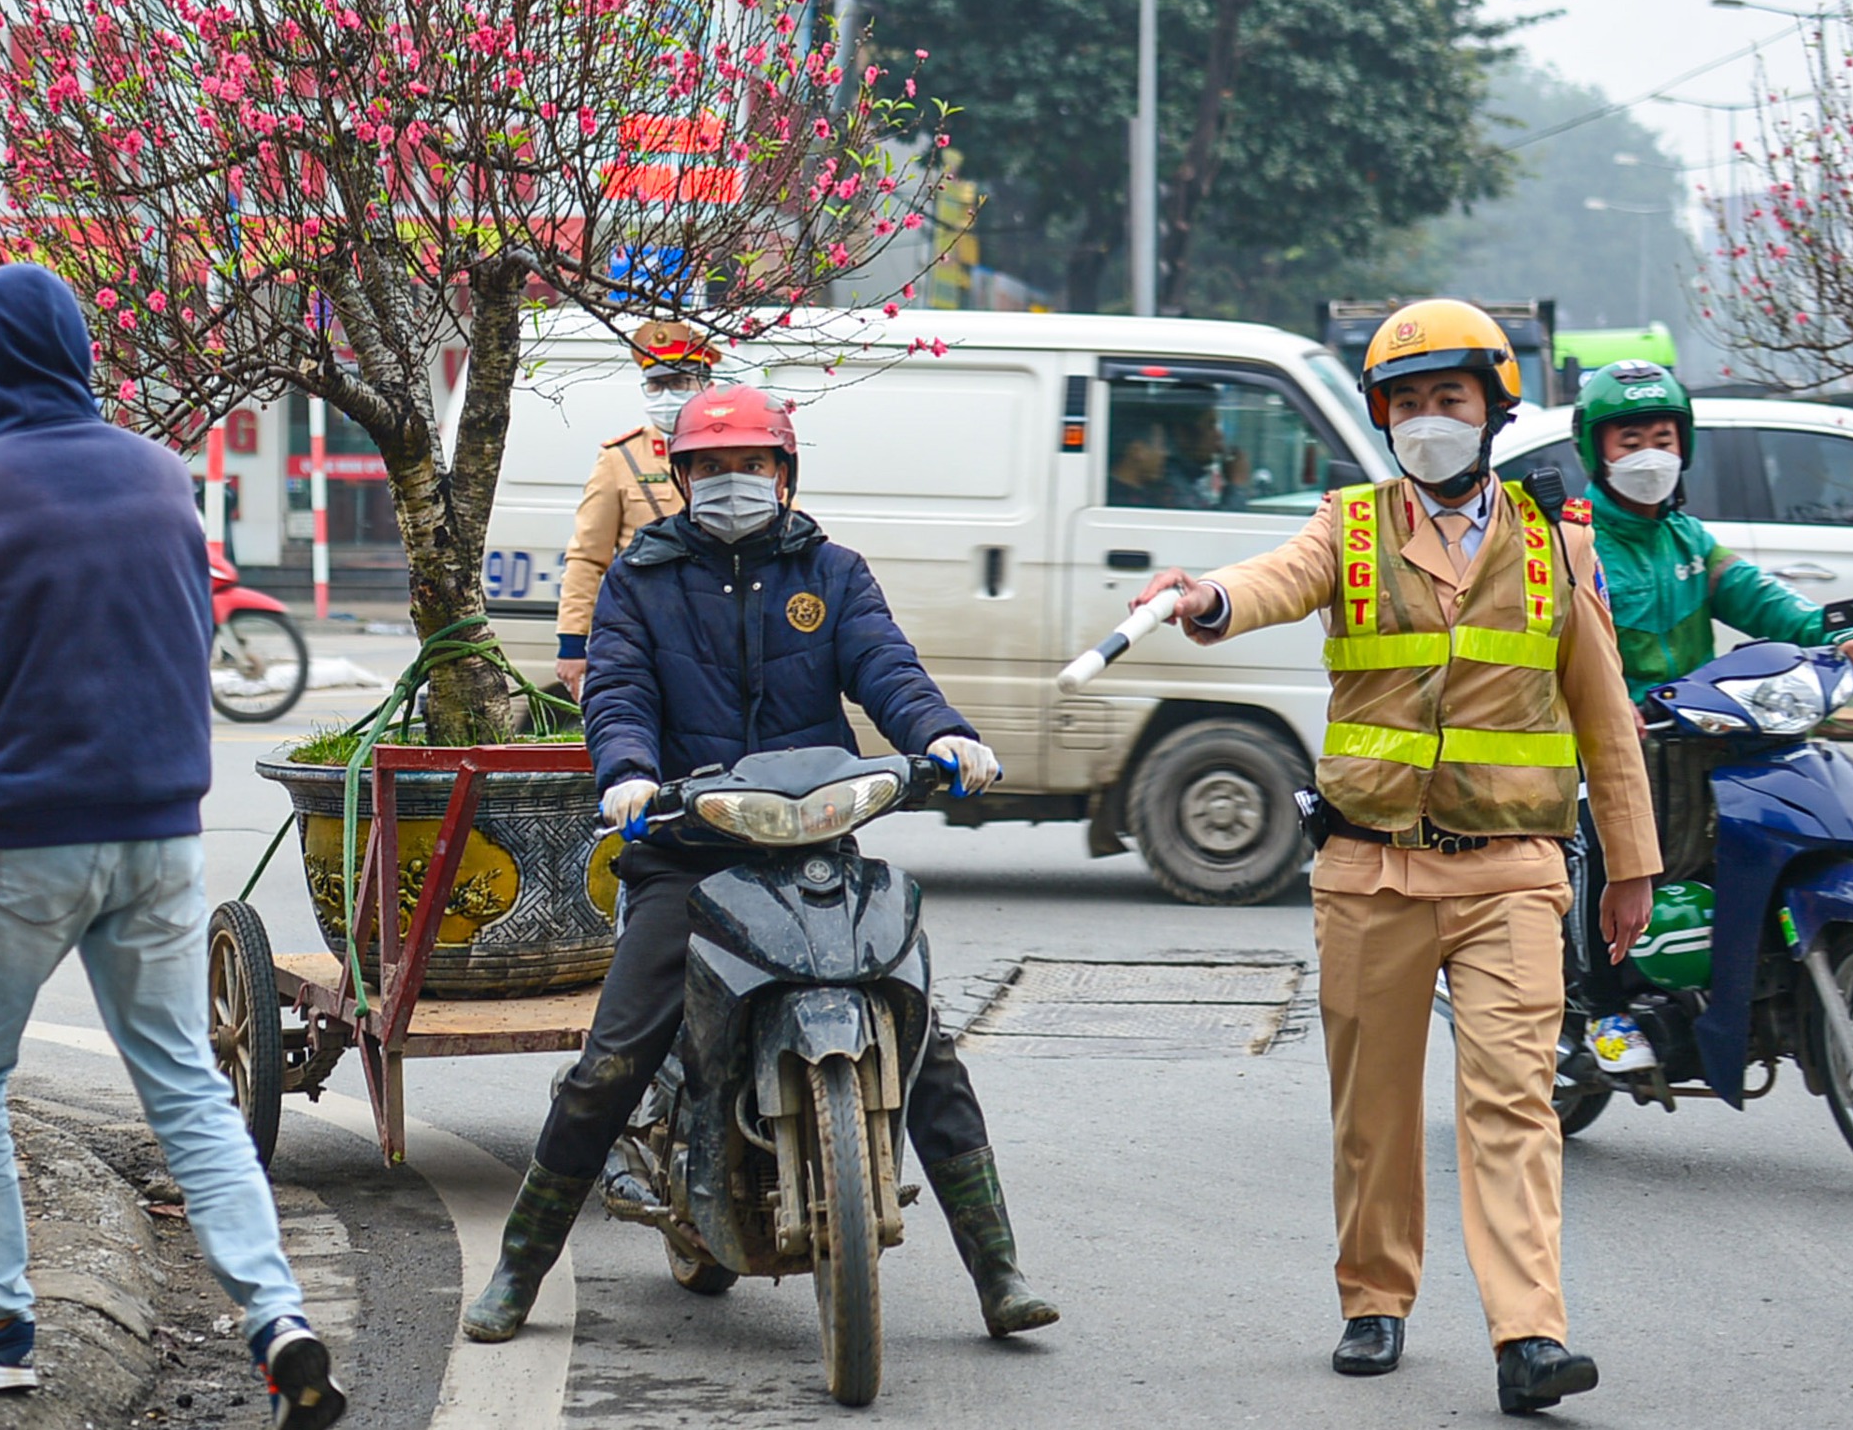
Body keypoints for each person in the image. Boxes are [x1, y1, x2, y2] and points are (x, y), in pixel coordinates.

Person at [1130, 299, 1659, 1417]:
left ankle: (1529, 1332)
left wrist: (1631, 863)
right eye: (1407, 403)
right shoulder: (1351, 528)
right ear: (1382, 418)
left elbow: (1604, 714)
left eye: (1448, 399)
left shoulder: (1560, 547)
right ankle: (1374, 1296)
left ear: (1491, 409)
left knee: (1512, 1103)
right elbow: (1270, 579)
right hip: (1368, 869)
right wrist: (1205, 597)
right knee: (1370, 1109)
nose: (1428, 420)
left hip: (1510, 869)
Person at [463, 384, 1058, 1347]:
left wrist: (944, 736)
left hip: (814, 842)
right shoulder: (639, 581)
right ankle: (516, 1273)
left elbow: (887, 669)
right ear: (681, 476)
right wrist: (626, 775)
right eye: (711, 467)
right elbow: (616, 694)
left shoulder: (833, 571)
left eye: (752, 465)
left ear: (784, 475)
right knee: (612, 1061)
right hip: (685, 854)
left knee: (923, 1041)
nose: (731, 483)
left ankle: (1000, 1272)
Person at [0, 264, 346, 1429]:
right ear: (80, 352)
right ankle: (277, 1316)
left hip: (37, 832)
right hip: (163, 830)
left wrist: (2, 657)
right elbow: (182, 622)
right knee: (186, 1080)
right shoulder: (157, 469)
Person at [1566, 359, 1853, 1074]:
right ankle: (1602, 1006)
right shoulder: (1579, 545)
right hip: (1609, 747)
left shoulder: (1691, 544)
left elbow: (1772, 607)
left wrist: (1837, 642)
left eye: (1663, 438)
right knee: (1601, 840)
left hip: (1697, 740)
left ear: (1684, 447)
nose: (1649, 455)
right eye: (1629, 438)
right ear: (1595, 451)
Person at [552, 319, 719, 698]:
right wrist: (573, 643)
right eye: (656, 385)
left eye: (678, 383)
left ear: (707, 386)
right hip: (645, 630)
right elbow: (587, 556)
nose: (666, 394)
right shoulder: (622, 458)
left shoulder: (736, 449)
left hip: (721, 629)